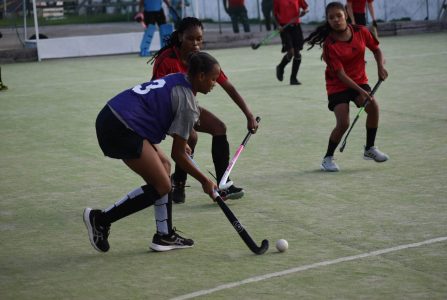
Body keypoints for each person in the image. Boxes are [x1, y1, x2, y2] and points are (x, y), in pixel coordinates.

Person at [83, 52, 220, 253]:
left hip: (112, 115)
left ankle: (164, 236)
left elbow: (159, 107)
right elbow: (179, 155)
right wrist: (205, 181)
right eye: (213, 79)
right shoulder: (189, 103)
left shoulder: (177, 78)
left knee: (164, 168)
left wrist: (178, 138)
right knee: (163, 184)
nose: (214, 84)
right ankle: (101, 219)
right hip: (121, 126)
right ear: (200, 76)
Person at [149, 17, 259, 204]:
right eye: (191, 39)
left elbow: (229, 87)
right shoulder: (166, 59)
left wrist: (248, 115)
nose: (196, 44)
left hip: (186, 107)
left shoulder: (202, 61)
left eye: (199, 39)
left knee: (219, 127)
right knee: (191, 137)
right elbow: (156, 96)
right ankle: (180, 182)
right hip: (164, 109)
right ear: (180, 36)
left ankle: (223, 185)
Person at [303, 1, 389, 172]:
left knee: (373, 107)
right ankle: (327, 158)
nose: (336, 20)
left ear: (346, 16)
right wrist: (361, 91)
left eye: (339, 16)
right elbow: (341, 75)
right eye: (331, 17)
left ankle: (369, 148)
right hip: (338, 85)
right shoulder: (330, 45)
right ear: (327, 21)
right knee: (343, 123)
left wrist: (380, 66)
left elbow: (377, 50)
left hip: (359, 80)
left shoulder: (361, 31)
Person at [274, 0, 309, 85]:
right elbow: (275, 14)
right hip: (284, 28)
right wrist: (278, 25)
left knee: (297, 53)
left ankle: (293, 78)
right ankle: (280, 67)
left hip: (296, 27)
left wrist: (304, 12)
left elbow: (306, 8)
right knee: (291, 52)